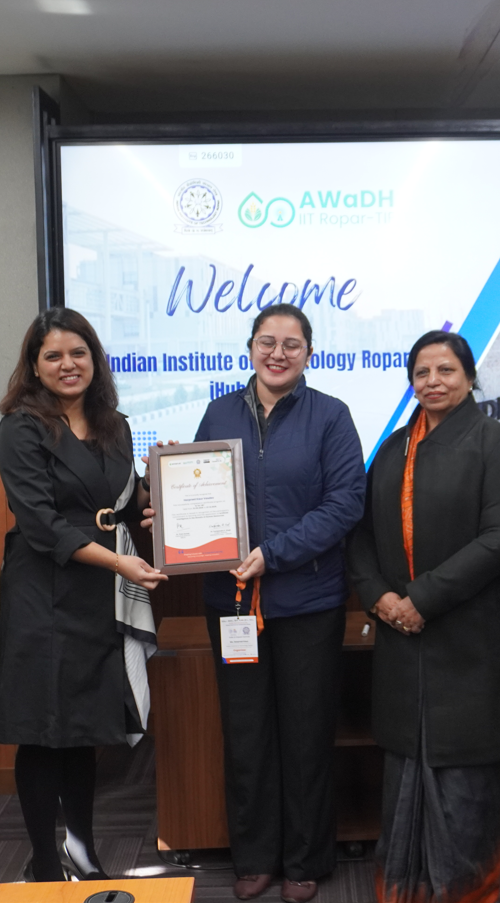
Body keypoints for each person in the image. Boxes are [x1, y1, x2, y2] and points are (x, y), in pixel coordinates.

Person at [347, 331, 500, 903]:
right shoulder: (394, 448)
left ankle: (465, 893)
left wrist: (422, 599)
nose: (433, 381)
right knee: (405, 778)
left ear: (469, 377)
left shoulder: (495, 443)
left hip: (474, 643)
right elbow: (360, 536)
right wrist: (379, 597)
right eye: (422, 372)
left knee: (468, 785)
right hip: (402, 639)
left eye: (446, 370)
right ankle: (405, 890)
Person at [187, 303, 365, 903]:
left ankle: (305, 860)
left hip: (307, 601)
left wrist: (275, 554)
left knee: (306, 734)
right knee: (246, 734)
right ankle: (255, 856)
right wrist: (173, 519)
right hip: (232, 603)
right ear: (250, 348)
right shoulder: (219, 412)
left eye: (292, 344)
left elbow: (345, 503)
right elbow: (199, 493)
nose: (278, 353)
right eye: (267, 341)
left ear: (309, 353)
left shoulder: (331, 416)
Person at [0, 308, 167, 882]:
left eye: (78, 353)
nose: (68, 365)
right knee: (45, 731)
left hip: (98, 594)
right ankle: (44, 861)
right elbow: (41, 525)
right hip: (43, 593)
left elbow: (121, 503)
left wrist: (159, 493)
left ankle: (82, 850)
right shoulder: (20, 428)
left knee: (85, 728)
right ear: (34, 366)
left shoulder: (115, 424)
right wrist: (118, 561)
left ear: (94, 359)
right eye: (53, 356)